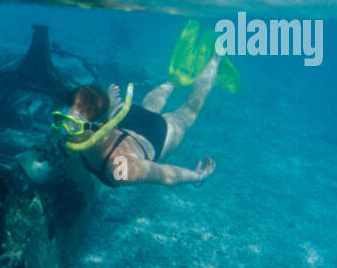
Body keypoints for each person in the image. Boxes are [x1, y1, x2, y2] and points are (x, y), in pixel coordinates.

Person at [60, 54, 220, 187]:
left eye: (72, 124)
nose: (63, 129)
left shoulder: (119, 167)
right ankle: (175, 80)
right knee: (150, 103)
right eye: (60, 118)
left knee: (188, 111)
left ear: (96, 125)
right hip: (126, 118)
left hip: (158, 135)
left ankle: (216, 58)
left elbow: (166, 176)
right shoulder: (74, 133)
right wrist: (111, 104)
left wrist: (198, 176)